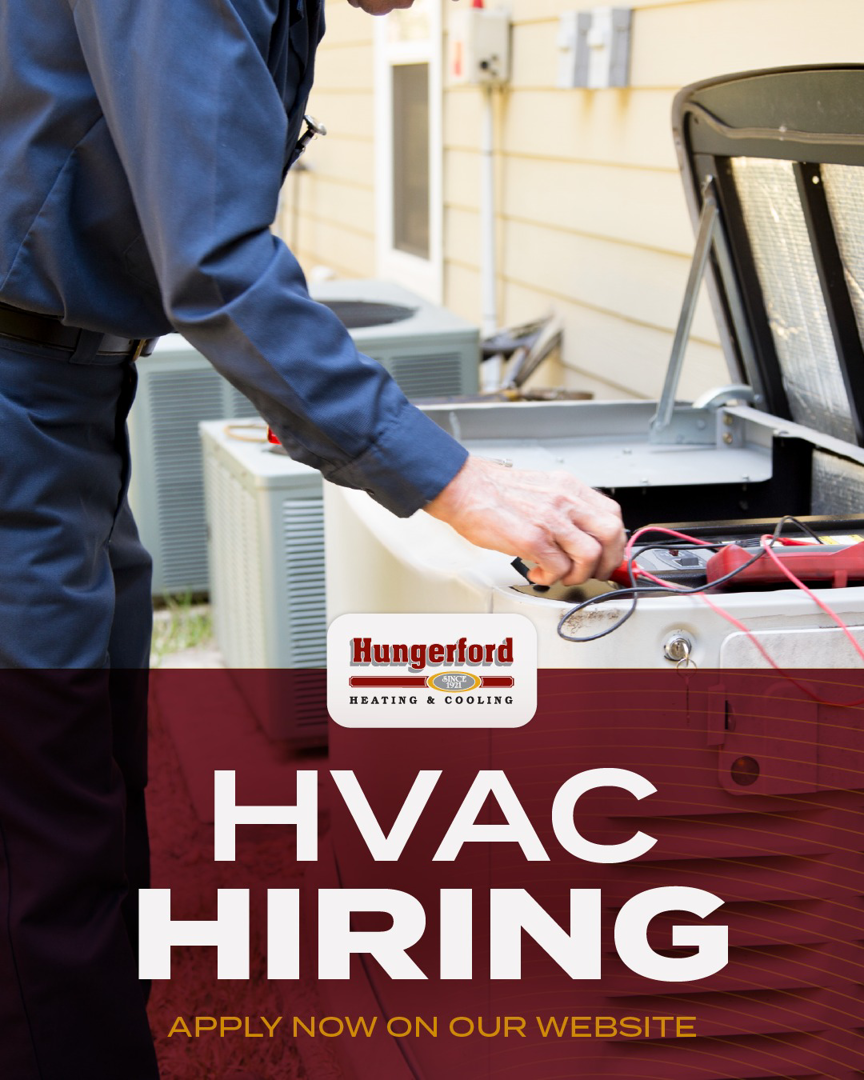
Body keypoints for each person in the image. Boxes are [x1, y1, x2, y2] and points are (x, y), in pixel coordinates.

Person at [0, 0, 625, 1076]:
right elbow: (216, 264)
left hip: (73, 396)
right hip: (22, 400)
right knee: (41, 833)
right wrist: (451, 479)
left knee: (89, 777)